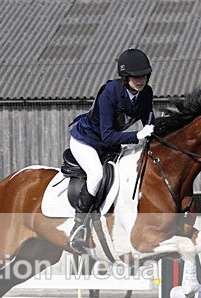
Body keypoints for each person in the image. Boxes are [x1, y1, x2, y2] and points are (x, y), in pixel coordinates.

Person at [67, 48, 155, 252]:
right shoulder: (110, 92)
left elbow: (148, 123)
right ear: (125, 76)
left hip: (112, 144)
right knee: (96, 175)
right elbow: (107, 136)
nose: (140, 80)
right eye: (135, 76)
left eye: (143, 75)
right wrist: (137, 136)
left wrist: (152, 133)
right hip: (87, 141)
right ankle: (78, 227)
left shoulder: (146, 93)